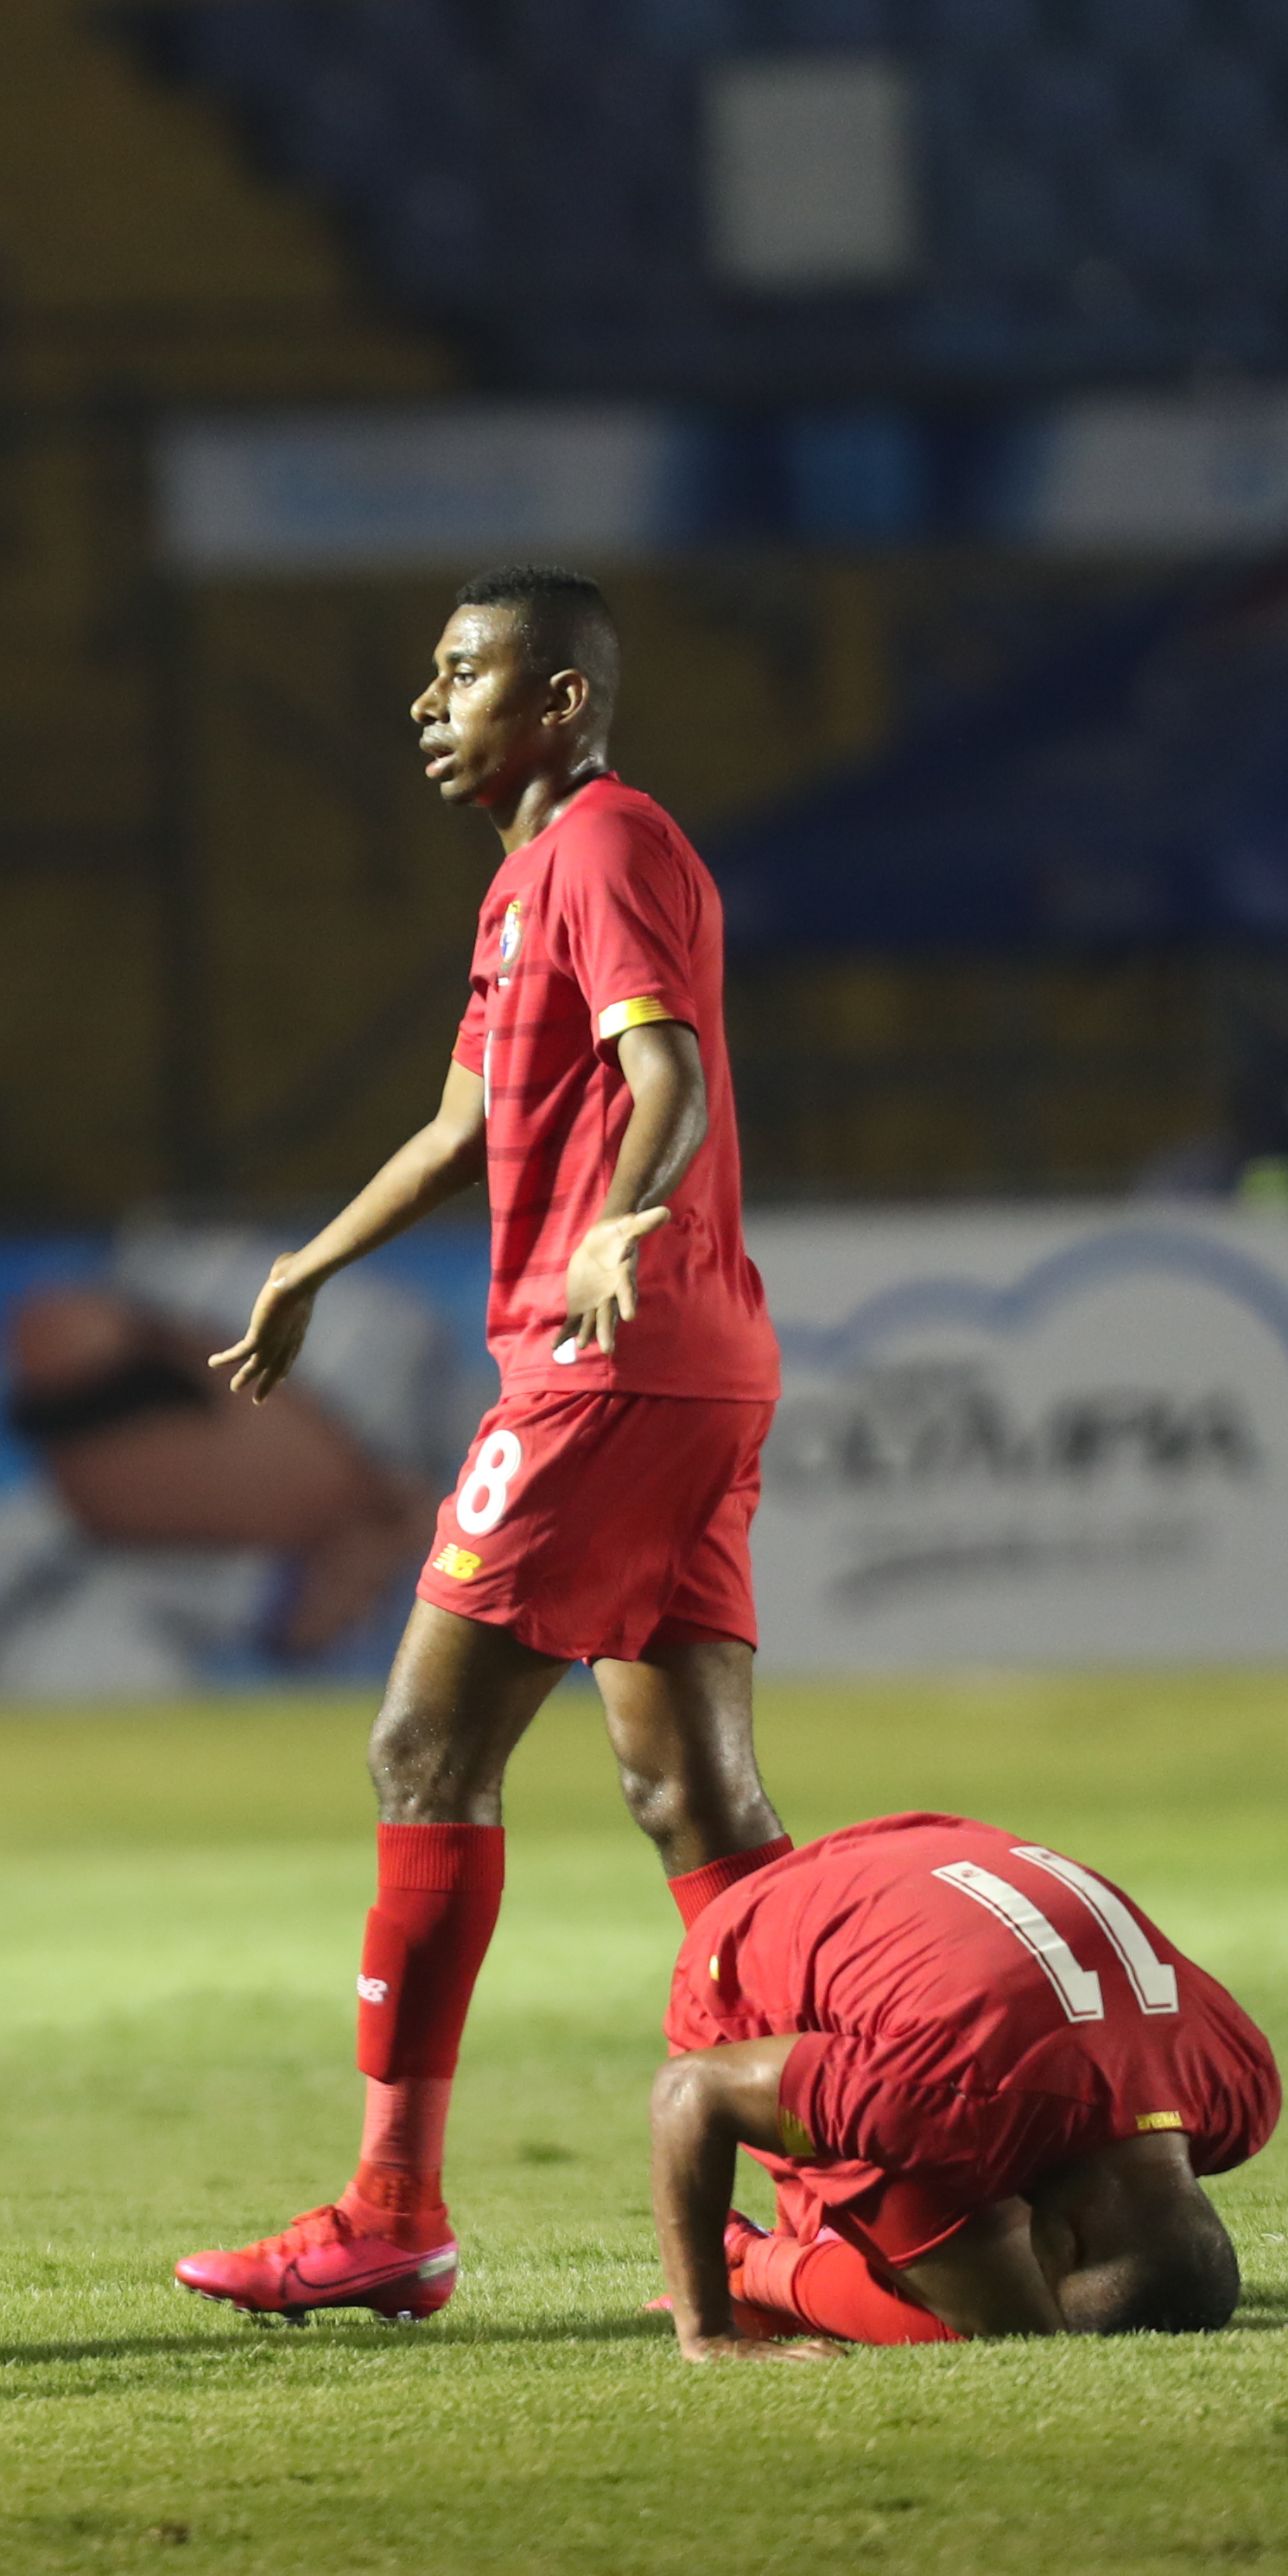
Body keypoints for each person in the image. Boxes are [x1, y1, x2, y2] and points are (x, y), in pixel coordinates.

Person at [179, 567, 790, 2320]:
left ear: (565, 700)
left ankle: (391, 2207)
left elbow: (661, 1074)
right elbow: (467, 1122)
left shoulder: (605, 847)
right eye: (432, 678)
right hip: (687, 1364)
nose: (431, 707)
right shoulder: (530, 880)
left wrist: (620, 1220)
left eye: (467, 676)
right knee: (692, 1794)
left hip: (608, 1360)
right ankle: (849, 2165)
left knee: (422, 1752)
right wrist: (311, 1259)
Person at [652, 1812, 1275, 2356]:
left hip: (938, 1854)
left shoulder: (1245, 2088)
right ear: (1070, 2240)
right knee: (1008, 2320)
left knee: (986, 2236)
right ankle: (747, 2260)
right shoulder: (950, 2101)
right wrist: (706, 2333)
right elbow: (690, 2091)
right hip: (748, 1946)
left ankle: (800, 2240)